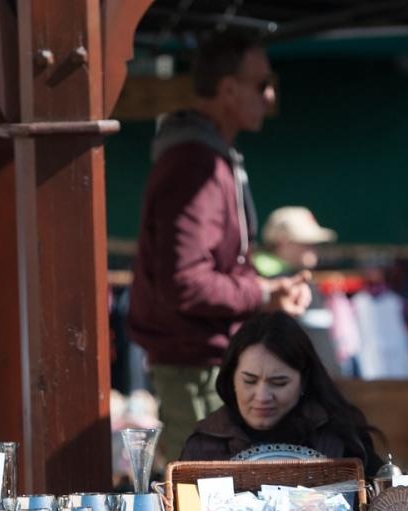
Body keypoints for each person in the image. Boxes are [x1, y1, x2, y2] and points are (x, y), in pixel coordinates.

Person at [128, 29, 311, 465]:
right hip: (194, 368)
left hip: (203, 364)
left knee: (212, 501)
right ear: (228, 89)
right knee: (202, 504)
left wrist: (268, 292)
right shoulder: (196, 163)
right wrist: (264, 294)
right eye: (261, 83)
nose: (269, 96)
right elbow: (187, 283)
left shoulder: (205, 157)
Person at [180, 311, 382, 468]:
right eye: (249, 381)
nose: (262, 396)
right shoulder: (203, 446)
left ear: (304, 381)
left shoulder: (339, 439)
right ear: (231, 378)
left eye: (279, 383)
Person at [254, 206, 335, 278]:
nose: (312, 249)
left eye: (314, 244)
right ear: (282, 241)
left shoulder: (294, 272)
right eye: (306, 243)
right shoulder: (263, 274)